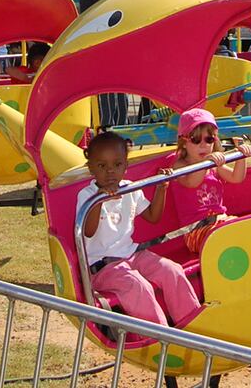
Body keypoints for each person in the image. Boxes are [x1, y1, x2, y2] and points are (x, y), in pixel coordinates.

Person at [77, 131, 201, 327]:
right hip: (103, 267)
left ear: (126, 166)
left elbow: (153, 216)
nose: (110, 171)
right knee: (136, 285)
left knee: (171, 270)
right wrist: (99, 200)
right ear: (91, 168)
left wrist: (162, 188)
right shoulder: (87, 195)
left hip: (132, 255)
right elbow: (88, 232)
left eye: (117, 165)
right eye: (102, 166)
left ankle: (193, 325)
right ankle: (160, 335)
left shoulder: (129, 188)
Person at [170, 109, 251, 254]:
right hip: (195, 231)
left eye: (209, 139)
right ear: (183, 143)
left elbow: (236, 177)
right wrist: (205, 163)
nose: (203, 145)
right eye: (196, 140)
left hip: (219, 222)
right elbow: (191, 183)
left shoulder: (213, 165)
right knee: (227, 232)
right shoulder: (181, 165)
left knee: (246, 228)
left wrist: (242, 156)